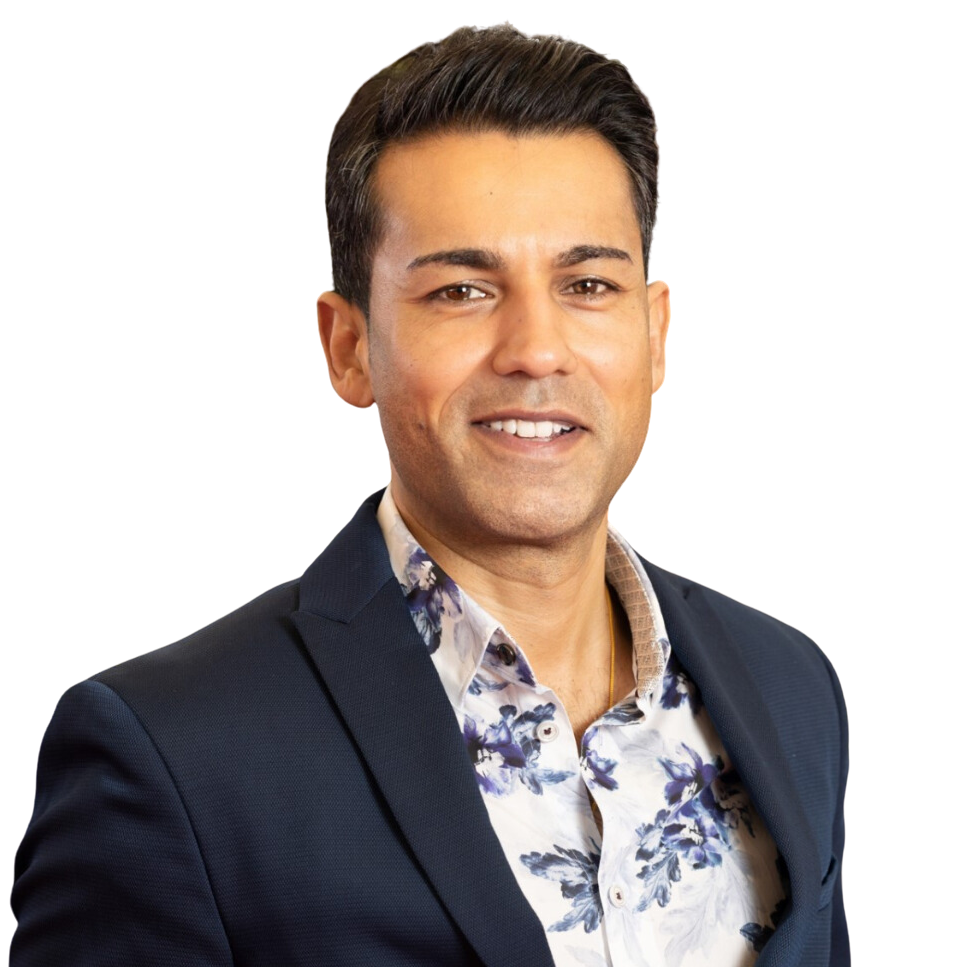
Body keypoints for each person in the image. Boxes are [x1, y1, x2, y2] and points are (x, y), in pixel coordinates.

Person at [10, 24, 848, 967]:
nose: (536, 348)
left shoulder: (788, 689)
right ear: (349, 347)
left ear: (653, 334)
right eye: (460, 290)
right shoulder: (173, 755)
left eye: (586, 283)